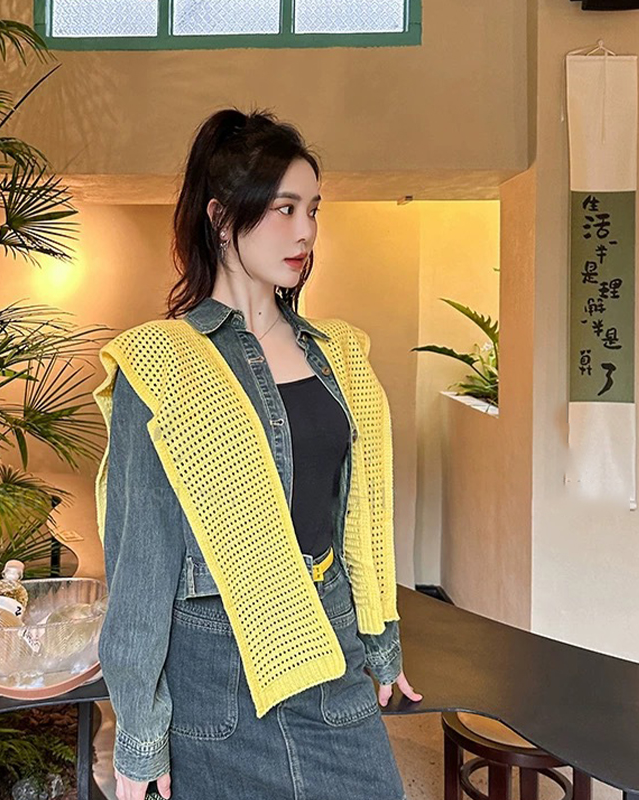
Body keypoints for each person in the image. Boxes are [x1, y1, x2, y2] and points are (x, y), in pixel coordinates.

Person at [93, 107, 422, 800]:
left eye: (313, 210)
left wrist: (382, 641)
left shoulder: (338, 354)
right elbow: (141, 561)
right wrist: (140, 734)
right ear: (221, 217)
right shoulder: (160, 362)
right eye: (284, 209)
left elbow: (359, 518)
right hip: (217, 671)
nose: (305, 231)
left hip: (331, 645)